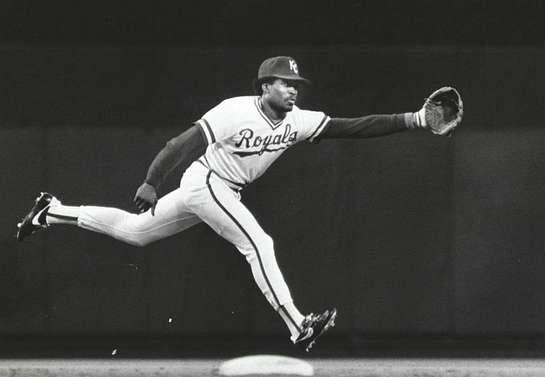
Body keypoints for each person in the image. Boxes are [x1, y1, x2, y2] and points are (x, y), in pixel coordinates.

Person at [16, 56, 457, 351]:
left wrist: (413, 119)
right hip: (208, 182)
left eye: (296, 85)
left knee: (134, 234)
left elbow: (352, 127)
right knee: (259, 244)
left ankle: (52, 211)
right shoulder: (234, 110)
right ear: (265, 85)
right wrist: (152, 180)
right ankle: (297, 324)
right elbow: (180, 143)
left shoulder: (297, 121)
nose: (294, 91)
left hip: (219, 190)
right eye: (286, 83)